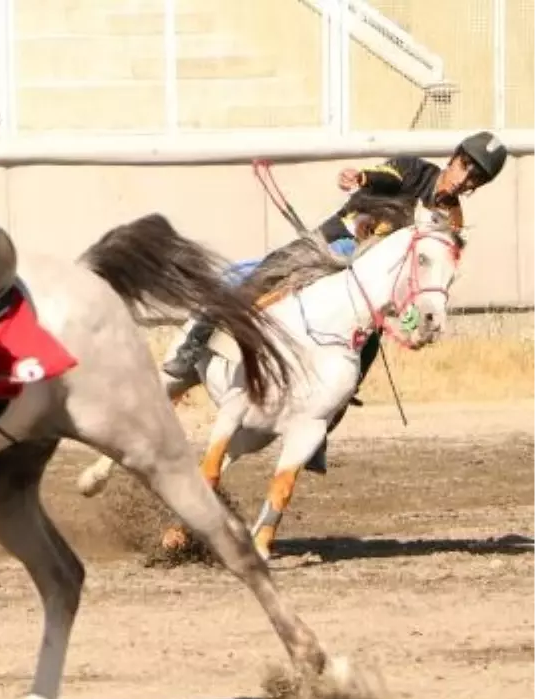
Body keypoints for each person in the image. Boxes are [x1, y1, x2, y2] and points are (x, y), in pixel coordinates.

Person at [161, 130, 508, 472]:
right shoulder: (414, 170)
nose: (465, 179)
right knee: (264, 273)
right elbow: (385, 178)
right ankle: (193, 346)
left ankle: (318, 429)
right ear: (455, 157)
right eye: (465, 166)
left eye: (476, 177)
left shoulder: (452, 220)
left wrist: (409, 314)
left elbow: (431, 265)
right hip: (336, 243)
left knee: (364, 352)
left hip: (371, 286)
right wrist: (362, 176)